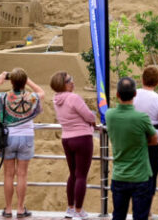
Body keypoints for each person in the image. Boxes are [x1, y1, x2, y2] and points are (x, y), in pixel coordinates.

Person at [0, 68, 44, 218]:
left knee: (8, 175)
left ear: (11, 82)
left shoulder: (4, 97)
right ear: (24, 82)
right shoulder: (31, 97)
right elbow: (41, 92)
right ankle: (20, 209)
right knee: (22, 175)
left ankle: (8, 209)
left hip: (8, 138)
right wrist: (28, 80)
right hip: (27, 137)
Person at [106, 77, 158, 220]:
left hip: (119, 175)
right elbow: (154, 140)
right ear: (135, 94)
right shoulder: (141, 118)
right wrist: (140, 142)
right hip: (140, 176)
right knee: (140, 216)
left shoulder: (109, 115)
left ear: (117, 94)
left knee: (118, 215)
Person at [51, 71, 97, 220]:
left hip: (67, 138)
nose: (73, 82)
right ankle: (79, 210)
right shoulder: (73, 98)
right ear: (63, 84)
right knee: (81, 176)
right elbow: (88, 115)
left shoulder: (56, 99)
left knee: (73, 174)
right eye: (70, 80)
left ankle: (70, 208)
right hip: (82, 137)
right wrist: (94, 119)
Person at [133, 66, 158, 210]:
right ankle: (147, 209)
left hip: (136, 140)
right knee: (151, 175)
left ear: (142, 79)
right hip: (155, 141)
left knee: (136, 174)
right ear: (157, 82)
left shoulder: (133, 95)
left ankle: (136, 205)